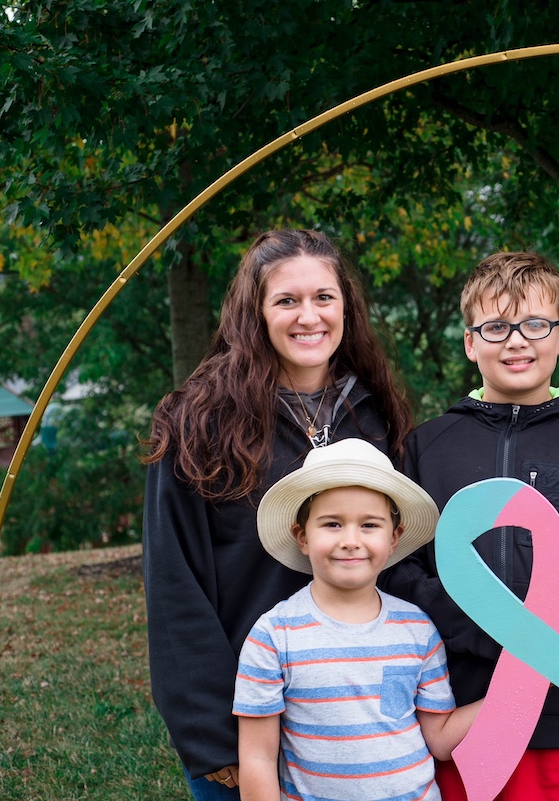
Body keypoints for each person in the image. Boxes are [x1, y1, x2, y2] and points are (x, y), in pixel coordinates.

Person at [143, 229, 413, 800]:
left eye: (323, 297)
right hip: (248, 729)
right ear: (256, 313)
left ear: (346, 308)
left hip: (358, 725)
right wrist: (213, 739)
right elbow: (173, 585)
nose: (308, 316)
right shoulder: (199, 424)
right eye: (287, 300)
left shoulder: (375, 415)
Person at [382, 251, 559, 801]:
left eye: (535, 324)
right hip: (462, 714)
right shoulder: (427, 448)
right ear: (470, 342)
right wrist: (487, 631)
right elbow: (400, 570)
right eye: (496, 327)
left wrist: (555, 639)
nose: (516, 342)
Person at [234, 437, 482, 801]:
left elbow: (441, 740)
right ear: (302, 536)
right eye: (332, 524)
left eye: (369, 525)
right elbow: (257, 758)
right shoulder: (274, 636)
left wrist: (522, 684)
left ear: (394, 538)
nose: (351, 540)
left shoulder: (417, 630)